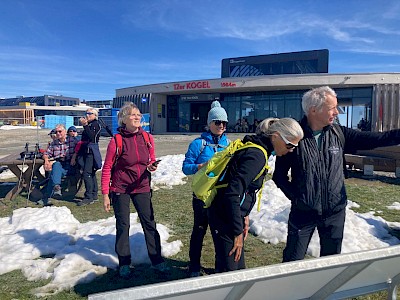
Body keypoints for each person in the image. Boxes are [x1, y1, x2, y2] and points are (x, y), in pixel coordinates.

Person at [273, 86, 400, 263]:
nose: (337, 112)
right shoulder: (294, 137)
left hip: (334, 213)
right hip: (303, 214)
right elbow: (278, 176)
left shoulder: (339, 133)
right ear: (314, 110)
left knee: (331, 265)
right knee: (292, 263)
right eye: (332, 108)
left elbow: (378, 139)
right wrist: (298, 198)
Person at [208, 117, 304, 272]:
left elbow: (243, 189)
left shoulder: (258, 149)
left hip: (230, 215)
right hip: (225, 217)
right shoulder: (257, 156)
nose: (291, 150)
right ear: (276, 136)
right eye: (290, 145)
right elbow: (232, 193)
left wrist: (244, 215)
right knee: (231, 274)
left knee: (235, 270)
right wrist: (237, 232)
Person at [101, 102, 169, 278]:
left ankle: (157, 260)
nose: (137, 117)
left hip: (142, 185)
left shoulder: (147, 138)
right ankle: (124, 263)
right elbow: (107, 167)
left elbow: (150, 159)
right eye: (132, 114)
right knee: (123, 225)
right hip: (120, 187)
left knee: (149, 222)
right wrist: (105, 194)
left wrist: (152, 166)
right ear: (123, 119)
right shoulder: (116, 140)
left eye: (139, 114)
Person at [182, 100, 230, 277]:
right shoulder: (198, 144)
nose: (221, 126)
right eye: (217, 122)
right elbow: (186, 167)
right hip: (202, 196)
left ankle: (219, 268)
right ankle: (194, 266)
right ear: (209, 123)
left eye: (224, 123)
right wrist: (201, 166)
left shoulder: (228, 144)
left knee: (219, 233)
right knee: (199, 230)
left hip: (219, 196)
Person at [41, 124, 78, 206]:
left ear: (65, 132)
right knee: (56, 166)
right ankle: (57, 187)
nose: (58, 133)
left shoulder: (72, 140)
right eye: (56, 132)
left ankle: (47, 196)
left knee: (53, 173)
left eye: (60, 131)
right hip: (60, 165)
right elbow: (46, 153)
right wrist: (46, 160)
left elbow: (80, 148)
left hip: (71, 164)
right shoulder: (54, 143)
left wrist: (74, 157)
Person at [77, 108, 102, 206]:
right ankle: (94, 194)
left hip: (91, 151)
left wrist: (85, 126)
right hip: (86, 151)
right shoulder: (91, 125)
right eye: (86, 113)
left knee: (87, 173)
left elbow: (92, 137)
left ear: (95, 115)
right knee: (91, 173)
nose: (87, 115)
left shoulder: (95, 125)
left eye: (89, 113)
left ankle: (89, 196)